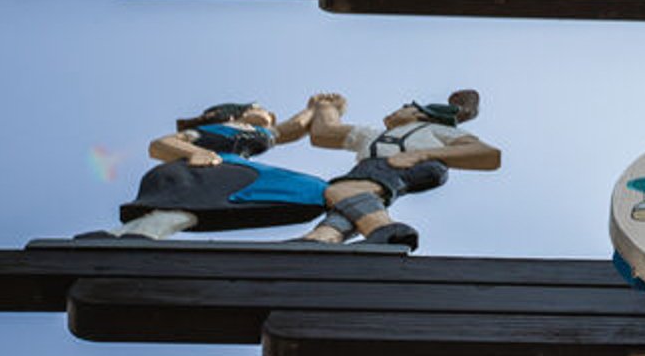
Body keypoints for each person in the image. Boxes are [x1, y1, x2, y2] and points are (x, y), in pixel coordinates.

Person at [94, 97, 334, 239]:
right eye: (258, 107)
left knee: (314, 190)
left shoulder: (259, 133)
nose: (268, 114)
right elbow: (161, 145)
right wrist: (196, 152)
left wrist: (314, 107)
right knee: (183, 212)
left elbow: (292, 128)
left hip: (234, 172)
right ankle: (125, 238)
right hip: (200, 172)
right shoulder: (214, 130)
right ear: (233, 115)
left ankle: (329, 233)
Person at [299, 90, 499, 251]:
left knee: (341, 190)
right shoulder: (372, 134)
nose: (398, 110)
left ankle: (387, 230)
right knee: (346, 203)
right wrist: (327, 107)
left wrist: (422, 155)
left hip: (406, 164)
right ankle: (322, 238)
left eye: (407, 107)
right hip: (370, 167)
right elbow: (324, 133)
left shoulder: (433, 129)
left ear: (420, 114)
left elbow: (486, 153)